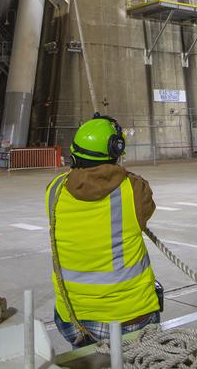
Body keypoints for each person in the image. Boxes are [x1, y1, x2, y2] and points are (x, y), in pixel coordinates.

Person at [45, 114, 160, 347]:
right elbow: (145, 209)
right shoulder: (134, 189)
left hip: (72, 319)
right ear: (117, 150)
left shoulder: (54, 190)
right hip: (129, 318)